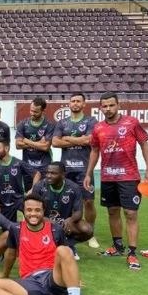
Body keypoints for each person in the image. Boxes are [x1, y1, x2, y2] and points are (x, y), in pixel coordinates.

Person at [0, 194, 87, 295]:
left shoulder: (55, 229)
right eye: (29, 210)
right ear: (24, 211)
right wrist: (5, 274)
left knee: (63, 250)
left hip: (53, 279)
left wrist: (74, 280)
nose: (33, 214)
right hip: (30, 283)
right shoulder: (16, 229)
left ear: (43, 211)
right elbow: (10, 254)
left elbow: (66, 257)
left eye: (37, 210)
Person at [84, 92, 148, 271]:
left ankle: (132, 252)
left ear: (118, 105)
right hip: (108, 177)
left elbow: (144, 144)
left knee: (130, 214)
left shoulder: (131, 123)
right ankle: (117, 247)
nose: (108, 109)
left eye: (111, 105)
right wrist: (88, 173)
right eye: (104, 106)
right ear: (101, 108)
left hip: (129, 177)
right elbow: (94, 151)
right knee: (112, 212)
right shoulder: (98, 127)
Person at [52, 93, 100, 249]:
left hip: (84, 169)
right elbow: (55, 142)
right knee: (66, 201)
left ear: (84, 104)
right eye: (72, 101)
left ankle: (91, 233)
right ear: (69, 104)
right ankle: (67, 230)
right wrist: (79, 139)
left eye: (78, 101)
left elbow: (89, 140)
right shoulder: (62, 122)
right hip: (66, 170)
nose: (75, 103)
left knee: (88, 201)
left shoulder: (91, 121)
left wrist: (67, 138)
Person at [31, 162, 93, 260]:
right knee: (34, 222)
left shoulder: (74, 188)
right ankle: (47, 246)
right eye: (47, 173)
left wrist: (70, 220)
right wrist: (50, 222)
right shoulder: (39, 187)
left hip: (65, 224)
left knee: (87, 230)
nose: (49, 176)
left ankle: (68, 245)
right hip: (44, 221)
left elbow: (78, 212)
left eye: (53, 173)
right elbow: (32, 213)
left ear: (63, 174)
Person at [0, 140, 40, 222]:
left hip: (19, 200)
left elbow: (37, 174)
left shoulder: (18, 163)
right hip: (3, 203)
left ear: (6, 148)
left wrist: (32, 189)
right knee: (7, 228)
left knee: (31, 218)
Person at [15, 97, 55, 191]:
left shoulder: (49, 125)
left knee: (45, 194)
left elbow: (45, 147)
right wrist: (38, 143)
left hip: (44, 166)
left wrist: (26, 140)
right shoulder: (22, 124)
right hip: (27, 166)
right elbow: (18, 145)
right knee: (29, 193)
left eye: (35, 112)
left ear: (43, 110)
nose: (32, 113)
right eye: (31, 110)